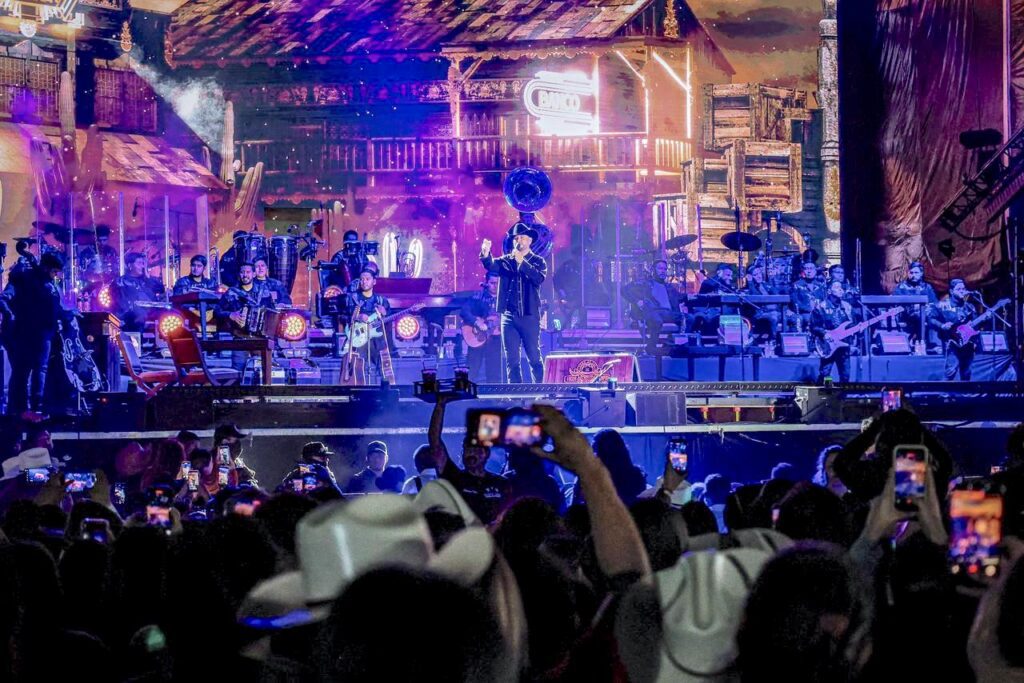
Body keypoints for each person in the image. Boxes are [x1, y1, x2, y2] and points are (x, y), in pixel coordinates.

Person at [0, 251, 72, 416]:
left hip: (42, 333)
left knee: (30, 371)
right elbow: (4, 299)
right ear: (46, 268)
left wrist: (67, 314)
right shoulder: (24, 279)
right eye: (54, 271)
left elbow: (54, 308)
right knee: (27, 371)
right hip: (24, 333)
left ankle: (28, 409)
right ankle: (25, 409)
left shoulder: (48, 284)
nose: (55, 276)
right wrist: (10, 315)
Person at [481, 223, 547, 383]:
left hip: (529, 316)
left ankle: (541, 389)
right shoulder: (506, 261)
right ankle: (515, 392)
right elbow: (491, 265)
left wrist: (522, 262)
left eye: (522, 237)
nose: (519, 240)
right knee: (512, 360)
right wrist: (485, 253)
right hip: (509, 317)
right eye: (516, 238)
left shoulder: (538, 261)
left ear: (530, 240)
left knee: (534, 356)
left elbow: (538, 278)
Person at [428, 395, 509, 523]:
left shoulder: (500, 482)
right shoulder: (455, 477)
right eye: (467, 449)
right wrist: (440, 405)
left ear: (486, 454)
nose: (471, 453)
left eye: (476, 450)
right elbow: (435, 442)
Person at [215, 262, 276, 375]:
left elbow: (272, 313)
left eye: (248, 272)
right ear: (239, 274)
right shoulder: (232, 292)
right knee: (237, 372)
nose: (245, 275)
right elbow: (217, 311)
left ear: (254, 274)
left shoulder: (264, 292)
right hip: (240, 338)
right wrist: (230, 315)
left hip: (259, 339)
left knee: (263, 372)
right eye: (242, 272)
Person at [623, 259, 690, 354]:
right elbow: (624, 290)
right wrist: (637, 301)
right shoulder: (645, 283)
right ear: (653, 270)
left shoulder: (669, 287)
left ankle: (671, 342)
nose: (663, 271)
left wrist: (693, 297)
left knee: (690, 318)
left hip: (669, 313)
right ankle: (651, 346)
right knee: (656, 320)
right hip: (653, 312)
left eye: (665, 269)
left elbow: (680, 297)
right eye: (660, 268)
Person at [344, 268, 392, 382]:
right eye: (362, 279)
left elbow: (389, 319)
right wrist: (358, 317)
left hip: (377, 340)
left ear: (374, 281)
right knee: (360, 369)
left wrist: (385, 313)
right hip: (360, 339)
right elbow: (343, 317)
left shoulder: (381, 300)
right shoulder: (353, 298)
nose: (364, 282)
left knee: (384, 368)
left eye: (367, 279)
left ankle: (385, 389)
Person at [928, 278, 978, 380]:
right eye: (959, 289)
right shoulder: (941, 305)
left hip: (967, 343)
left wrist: (984, 319)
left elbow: (975, 324)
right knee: (950, 371)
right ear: (951, 291)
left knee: (967, 372)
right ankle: (945, 390)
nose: (962, 291)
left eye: (963, 289)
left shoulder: (970, 307)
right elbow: (931, 319)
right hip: (950, 342)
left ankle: (966, 390)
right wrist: (942, 325)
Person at [459, 271, 502, 383]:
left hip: (495, 340)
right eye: (492, 283)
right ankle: (466, 390)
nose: (495, 286)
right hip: (477, 336)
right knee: (472, 369)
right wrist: (476, 323)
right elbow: (464, 311)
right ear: (486, 283)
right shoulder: (478, 297)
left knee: (494, 371)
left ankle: (493, 393)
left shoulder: (505, 299)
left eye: (498, 283)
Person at [811, 280, 855, 383]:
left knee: (845, 374)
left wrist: (857, 329)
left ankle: (842, 392)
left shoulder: (847, 307)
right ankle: (827, 390)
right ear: (829, 291)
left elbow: (852, 325)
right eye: (837, 287)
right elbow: (813, 326)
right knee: (826, 373)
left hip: (844, 344)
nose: (840, 290)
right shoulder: (821, 307)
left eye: (841, 287)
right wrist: (824, 333)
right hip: (828, 345)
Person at [111, 252, 166, 332]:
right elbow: (117, 303)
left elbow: (160, 289)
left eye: (143, 263)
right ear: (130, 265)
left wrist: (148, 276)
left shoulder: (147, 280)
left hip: (151, 315)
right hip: (130, 318)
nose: (142, 266)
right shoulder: (120, 282)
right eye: (139, 263)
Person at [894, 261, 939, 350]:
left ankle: (934, 343)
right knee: (919, 315)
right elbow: (897, 303)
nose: (913, 275)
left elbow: (934, 303)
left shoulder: (927, 287)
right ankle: (920, 341)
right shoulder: (902, 287)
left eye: (916, 273)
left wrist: (928, 308)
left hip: (925, 313)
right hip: (907, 314)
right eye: (911, 273)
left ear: (921, 273)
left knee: (937, 315)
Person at [742, 264, 786, 340]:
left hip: (775, 311)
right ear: (750, 277)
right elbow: (755, 297)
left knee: (791, 316)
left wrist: (772, 279)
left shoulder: (765, 285)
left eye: (759, 273)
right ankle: (773, 340)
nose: (759, 276)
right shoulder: (750, 288)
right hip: (761, 313)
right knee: (774, 316)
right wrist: (750, 282)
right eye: (755, 275)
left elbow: (776, 294)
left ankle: (790, 340)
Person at [694, 263, 739, 335]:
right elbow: (703, 298)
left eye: (731, 276)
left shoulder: (727, 285)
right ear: (719, 272)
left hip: (726, 311)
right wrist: (718, 277)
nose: (730, 278)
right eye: (728, 275)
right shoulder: (708, 283)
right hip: (711, 310)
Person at [791, 261, 825, 332]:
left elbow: (825, 300)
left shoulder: (821, 285)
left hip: (820, 312)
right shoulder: (797, 285)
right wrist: (809, 309)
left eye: (811, 268)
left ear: (815, 270)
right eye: (806, 269)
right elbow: (795, 303)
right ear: (803, 271)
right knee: (811, 318)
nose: (809, 271)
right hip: (804, 313)